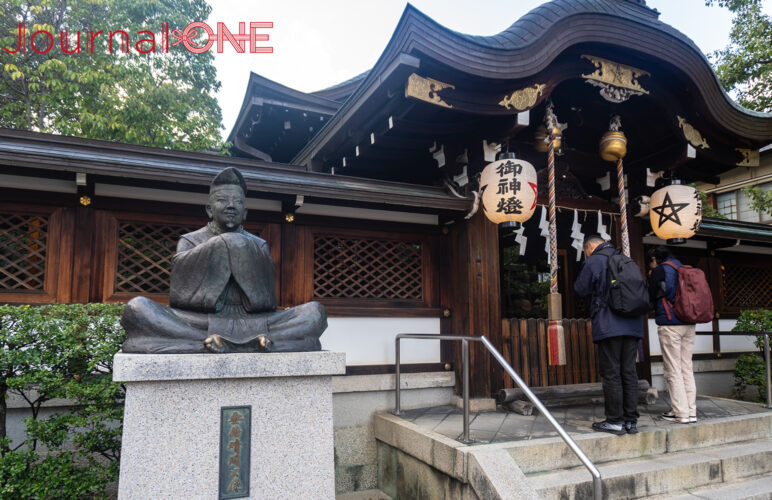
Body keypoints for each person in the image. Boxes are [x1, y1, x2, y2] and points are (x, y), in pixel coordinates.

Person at [120, 167, 327, 354]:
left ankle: (202, 344)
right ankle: (262, 344)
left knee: (314, 312)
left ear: (245, 212)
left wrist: (240, 248)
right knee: (137, 308)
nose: (230, 206)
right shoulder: (190, 241)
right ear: (209, 209)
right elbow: (180, 298)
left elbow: (266, 302)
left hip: (256, 322)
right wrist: (223, 245)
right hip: (201, 321)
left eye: (237, 202)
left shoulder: (259, 244)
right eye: (222, 200)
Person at [574, 234, 645, 435]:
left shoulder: (595, 260)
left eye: (585, 252)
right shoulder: (627, 259)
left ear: (589, 247)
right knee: (629, 372)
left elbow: (580, 288)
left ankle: (615, 420)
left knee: (612, 373)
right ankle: (631, 420)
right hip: (633, 324)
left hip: (609, 324)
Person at [647, 246, 696, 424]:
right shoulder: (683, 268)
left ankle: (680, 413)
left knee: (673, 370)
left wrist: (652, 276)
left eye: (650, 261)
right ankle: (691, 411)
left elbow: (652, 294)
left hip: (670, 325)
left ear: (655, 258)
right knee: (686, 368)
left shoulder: (661, 270)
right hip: (688, 324)